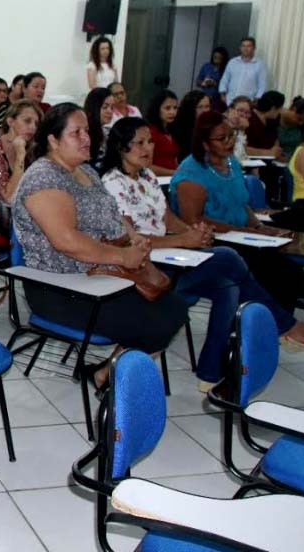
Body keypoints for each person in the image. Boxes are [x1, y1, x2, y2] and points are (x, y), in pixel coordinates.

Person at [101, 117, 304, 387]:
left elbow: (168, 219)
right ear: (121, 147)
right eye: (138, 143)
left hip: (169, 259)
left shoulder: (147, 176)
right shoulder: (111, 183)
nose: (147, 148)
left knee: (228, 284)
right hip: (143, 270)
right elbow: (131, 241)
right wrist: (185, 240)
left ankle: (210, 375)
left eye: (149, 141)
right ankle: (285, 325)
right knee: (228, 257)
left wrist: (192, 233)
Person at [13, 103, 189, 390]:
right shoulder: (43, 177)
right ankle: (113, 379)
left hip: (103, 274)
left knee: (173, 307)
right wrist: (123, 255)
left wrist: (133, 237)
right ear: (53, 140)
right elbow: (66, 242)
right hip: (62, 286)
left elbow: (113, 215)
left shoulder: (86, 172)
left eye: (87, 131)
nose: (86, 138)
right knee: (155, 320)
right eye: (76, 133)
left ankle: (106, 372)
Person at [171, 111, 304, 313]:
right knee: (275, 272)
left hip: (242, 236)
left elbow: (242, 203)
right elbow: (194, 220)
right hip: (213, 240)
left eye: (231, 135)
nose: (229, 142)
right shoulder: (191, 173)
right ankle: (273, 326)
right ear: (205, 143)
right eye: (221, 138)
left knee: (290, 271)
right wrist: (244, 232)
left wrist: (259, 227)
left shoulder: (231, 163)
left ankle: (276, 326)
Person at [0, 100, 41, 209]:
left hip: (27, 208)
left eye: (36, 123)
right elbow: (8, 198)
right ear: (11, 122)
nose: (33, 127)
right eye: (27, 121)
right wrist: (20, 155)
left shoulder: (32, 148)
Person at [220, 37, 267, 104]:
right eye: (243, 46)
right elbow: (225, 79)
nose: (245, 48)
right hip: (230, 101)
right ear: (240, 48)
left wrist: (257, 100)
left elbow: (262, 85)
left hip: (248, 103)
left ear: (254, 48)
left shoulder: (260, 65)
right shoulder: (232, 62)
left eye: (248, 46)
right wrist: (222, 94)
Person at [144, 89, 181, 176]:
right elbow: (147, 166)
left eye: (175, 108)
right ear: (157, 109)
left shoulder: (172, 129)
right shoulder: (150, 131)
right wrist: (173, 173)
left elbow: (174, 160)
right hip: (157, 180)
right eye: (167, 108)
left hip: (172, 178)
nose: (172, 112)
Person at [170, 90, 211, 159]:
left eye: (207, 107)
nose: (204, 111)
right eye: (200, 107)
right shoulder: (179, 126)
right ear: (190, 108)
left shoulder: (209, 124)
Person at [246, 90, 287, 160]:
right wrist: (268, 152)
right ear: (273, 108)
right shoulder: (250, 119)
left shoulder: (272, 121)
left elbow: (275, 144)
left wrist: (277, 152)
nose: (281, 111)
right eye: (280, 108)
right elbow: (241, 148)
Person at [83, 87, 114, 169]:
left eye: (112, 107)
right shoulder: (84, 135)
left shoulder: (109, 132)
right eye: (105, 107)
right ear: (94, 107)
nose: (110, 111)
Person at [226, 96, 253, 161]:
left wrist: (242, 130)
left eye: (247, 112)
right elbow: (236, 156)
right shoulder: (222, 126)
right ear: (230, 110)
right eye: (240, 110)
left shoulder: (241, 127)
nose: (243, 115)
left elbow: (242, 155)